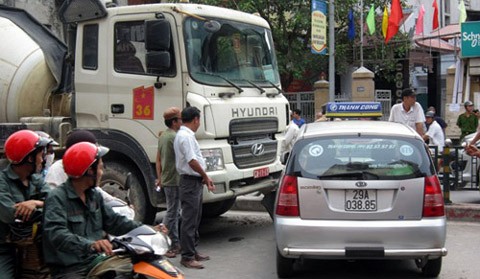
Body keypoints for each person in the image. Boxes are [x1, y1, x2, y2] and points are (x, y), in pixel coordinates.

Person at [42, 142, 143, 278]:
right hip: (70, 268)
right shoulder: (57, 198)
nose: (102, 172)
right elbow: (57, 234)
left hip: (95, 261)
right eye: (101, 167)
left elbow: (115, 222)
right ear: (90, 171)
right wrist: (91, 245)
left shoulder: (94, 195)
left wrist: (146, 230)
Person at [0, 130, 51, 278]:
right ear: (29, 158)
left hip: (35, 247)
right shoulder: (2, 181)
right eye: (40, 155)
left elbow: (58, 204)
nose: (42, 160)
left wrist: (36, 203)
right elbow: (10, 214)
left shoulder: (35, 180)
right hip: (4, 248)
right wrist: (42, 210)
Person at [44, 130, 131, 212]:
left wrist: (123, 206)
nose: (101, 173)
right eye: (99, 168)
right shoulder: (57, 174)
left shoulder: (90, 191)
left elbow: (108, 207)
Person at [174, 106, 215, 269]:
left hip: (194, 181)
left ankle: (192, 251)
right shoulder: (185, 137)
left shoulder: (185, 135)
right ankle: (187, 256)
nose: (199, 123)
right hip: (190, 182)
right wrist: (205, 175)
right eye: (199, 119)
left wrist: (203, 177)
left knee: (195, 218)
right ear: (196, 119)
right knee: (189, 220)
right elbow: (191, 161)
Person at [155, 107, 182, 258]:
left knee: (174, 211)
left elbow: (158, 160)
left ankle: (175, 244)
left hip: (167, 178)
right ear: (174, 122)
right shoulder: (173, 137)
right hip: (174, 179)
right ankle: (161, 239)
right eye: (180, 119)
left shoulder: (163, 136)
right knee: (172, 212)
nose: (182, 122)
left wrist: (160, 178)